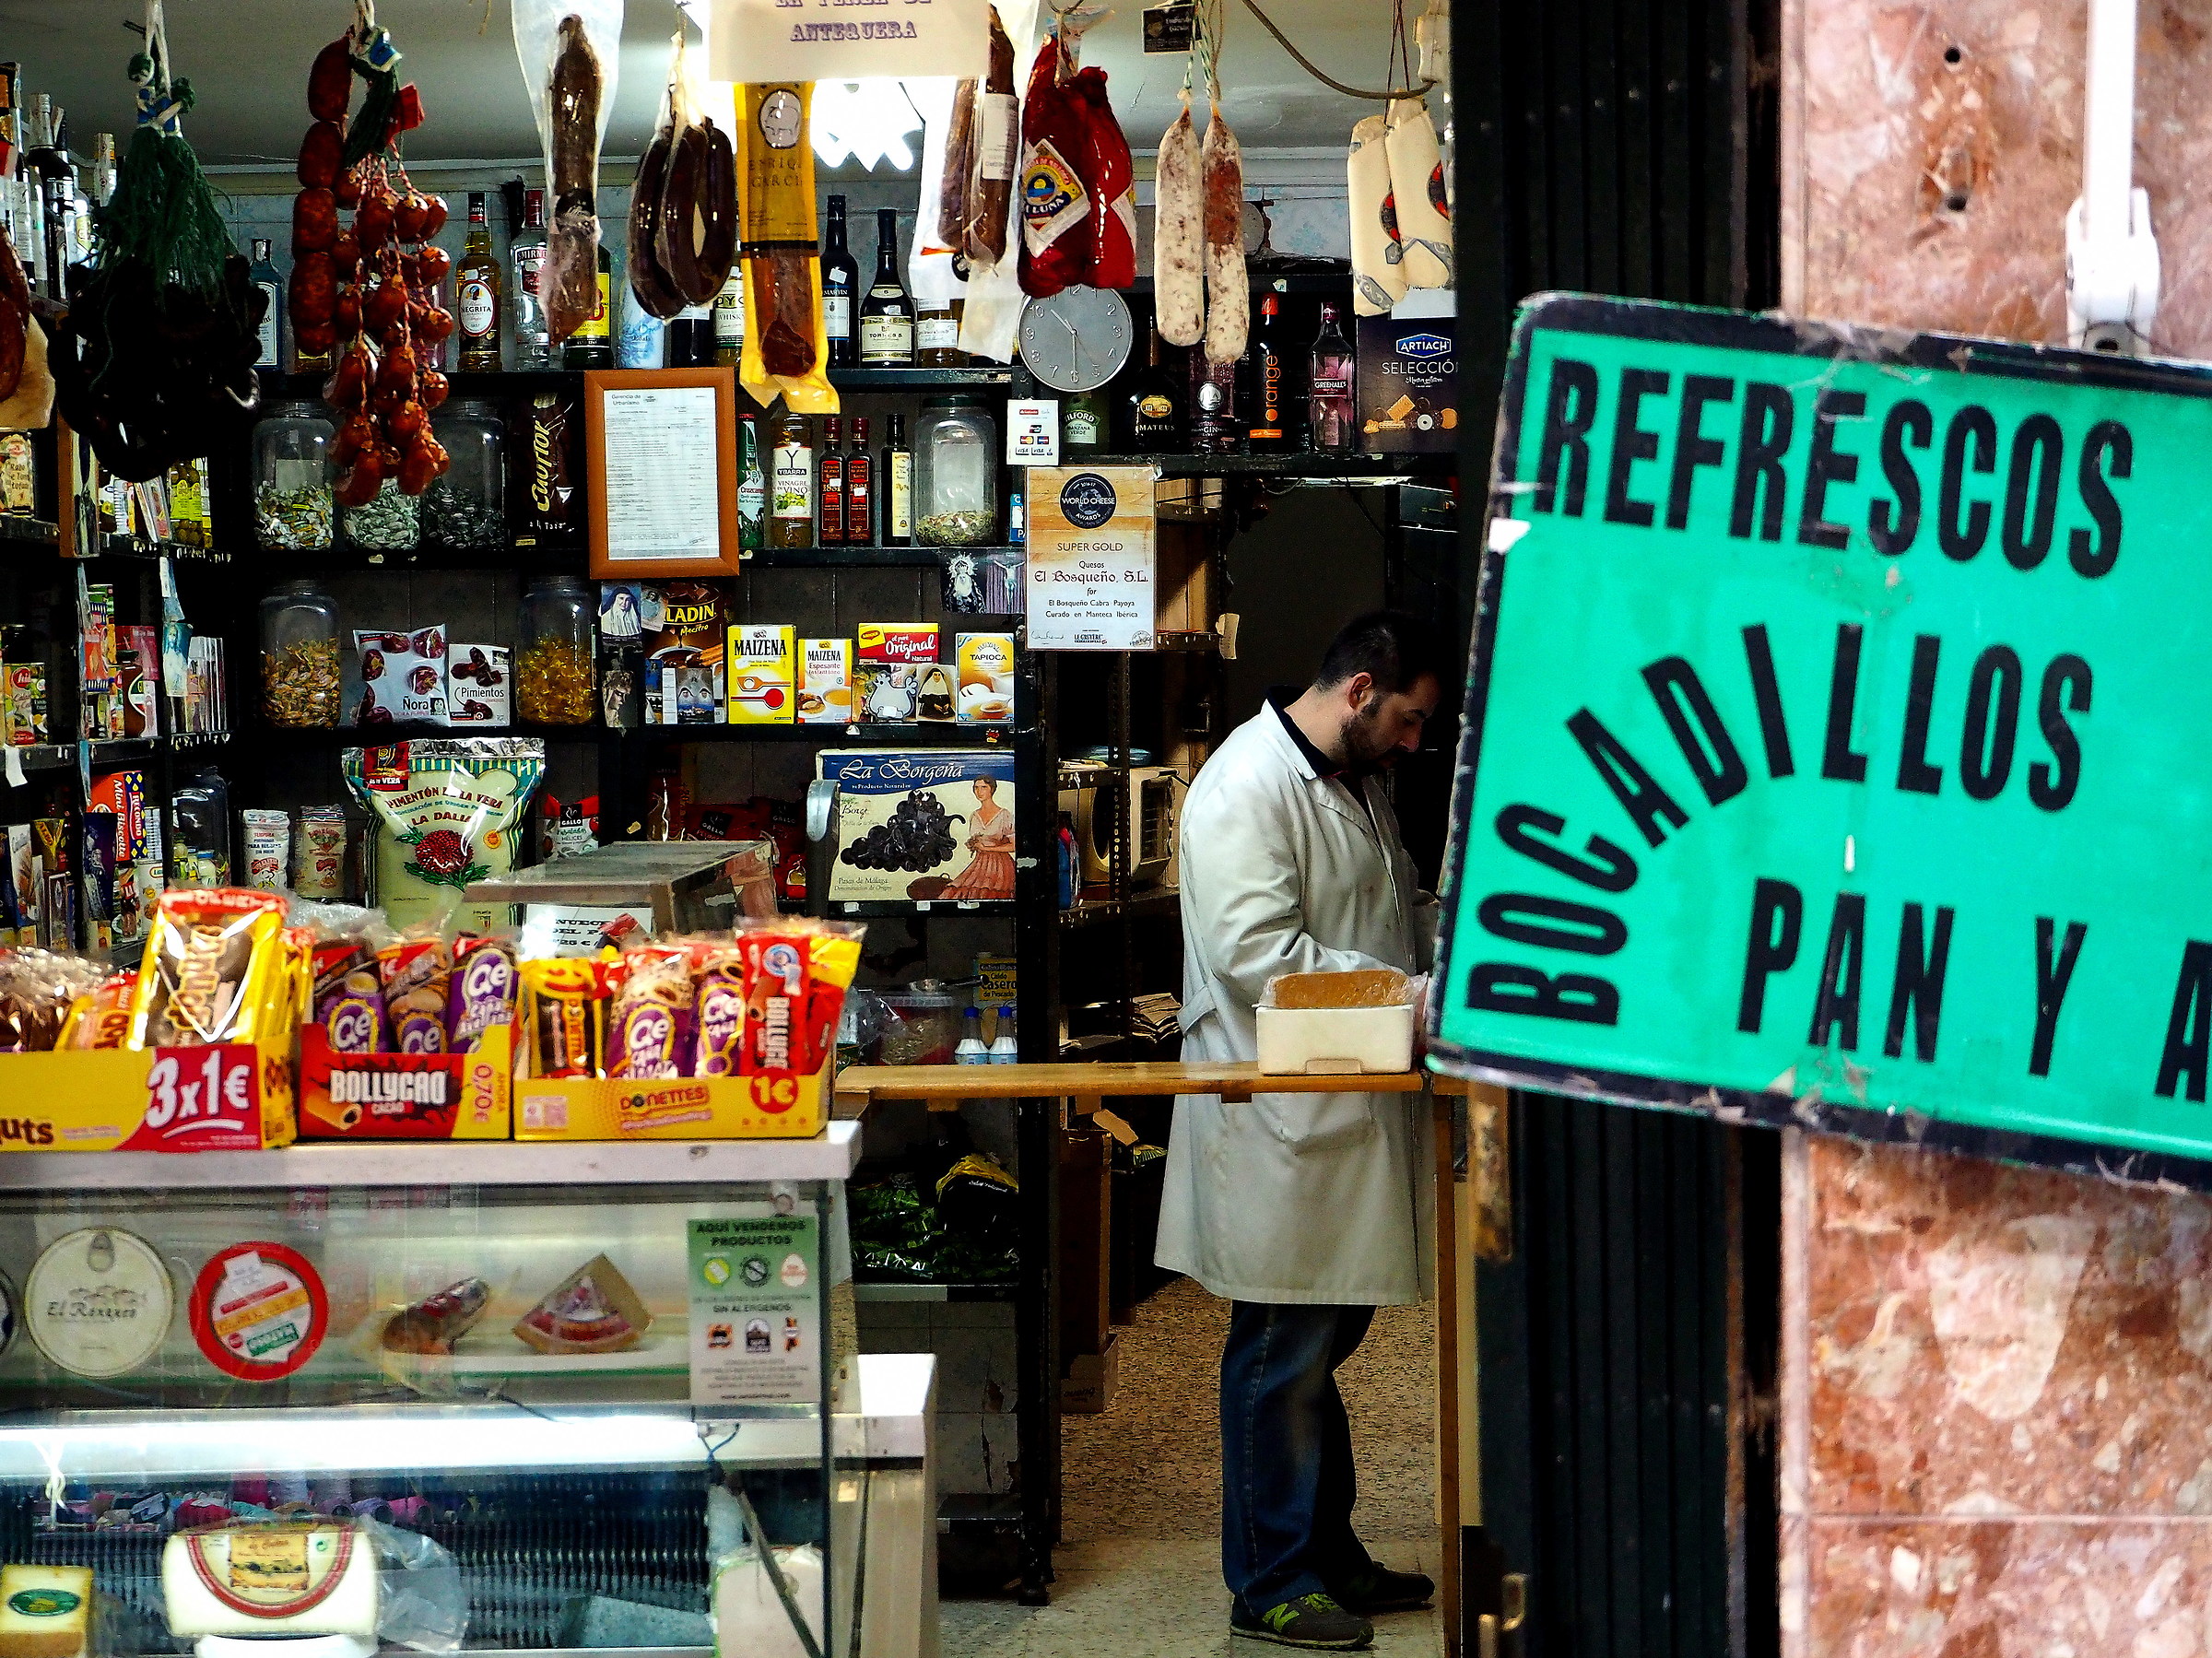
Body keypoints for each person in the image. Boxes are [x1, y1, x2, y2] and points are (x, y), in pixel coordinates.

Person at [1156, 610, 1447, 1652]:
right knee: (1282, 1349)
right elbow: (1259, 951)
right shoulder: (1246, 784)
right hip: (1275, 1116)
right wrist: (1410, 997)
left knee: (1321, 1342)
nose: (1416, 742)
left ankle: (1328, 1551)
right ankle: (1271, 1578)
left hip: (1344, 1098)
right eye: (1410, 719)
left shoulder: (1356, 779)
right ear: (1362, 691)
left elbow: (1386, 905)